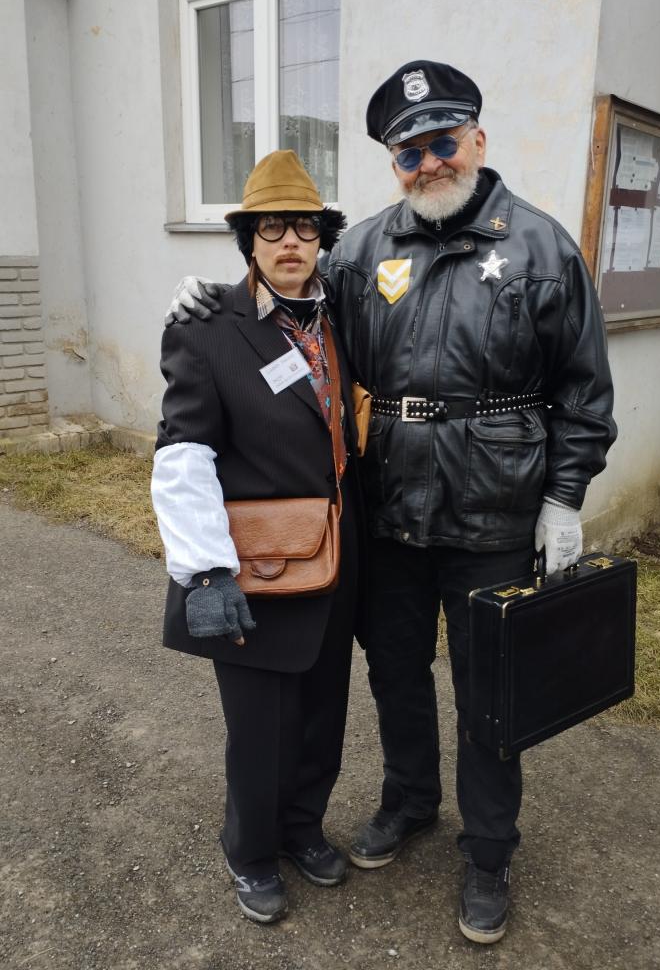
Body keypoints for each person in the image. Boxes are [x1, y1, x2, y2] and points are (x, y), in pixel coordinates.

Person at [167, 60, 616, 944]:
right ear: (393, 163)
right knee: (394, 673)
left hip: (495, 513)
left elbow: (583, 391)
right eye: (408, 153)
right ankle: (410, 801)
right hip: (391, 515)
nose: (428, 163)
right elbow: (285, 298)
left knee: (490, 691)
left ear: (476, 140)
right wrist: (210, 298)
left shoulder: (542, 248)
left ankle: (487, 851)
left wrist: (564, 498)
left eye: (442, 143)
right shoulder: (364, 250)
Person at [151, 149, 361, 925]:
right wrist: (206, 572)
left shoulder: (340, 319)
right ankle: (250, 851)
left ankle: (302, 828)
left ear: (321, 238)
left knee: (323, 712)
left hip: (336, 556)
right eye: (271, 228)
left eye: (302, 226)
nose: (289, 241)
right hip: (254, 566)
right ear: (249, 241)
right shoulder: (207, 330)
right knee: (260, 726)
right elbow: (182, 453)